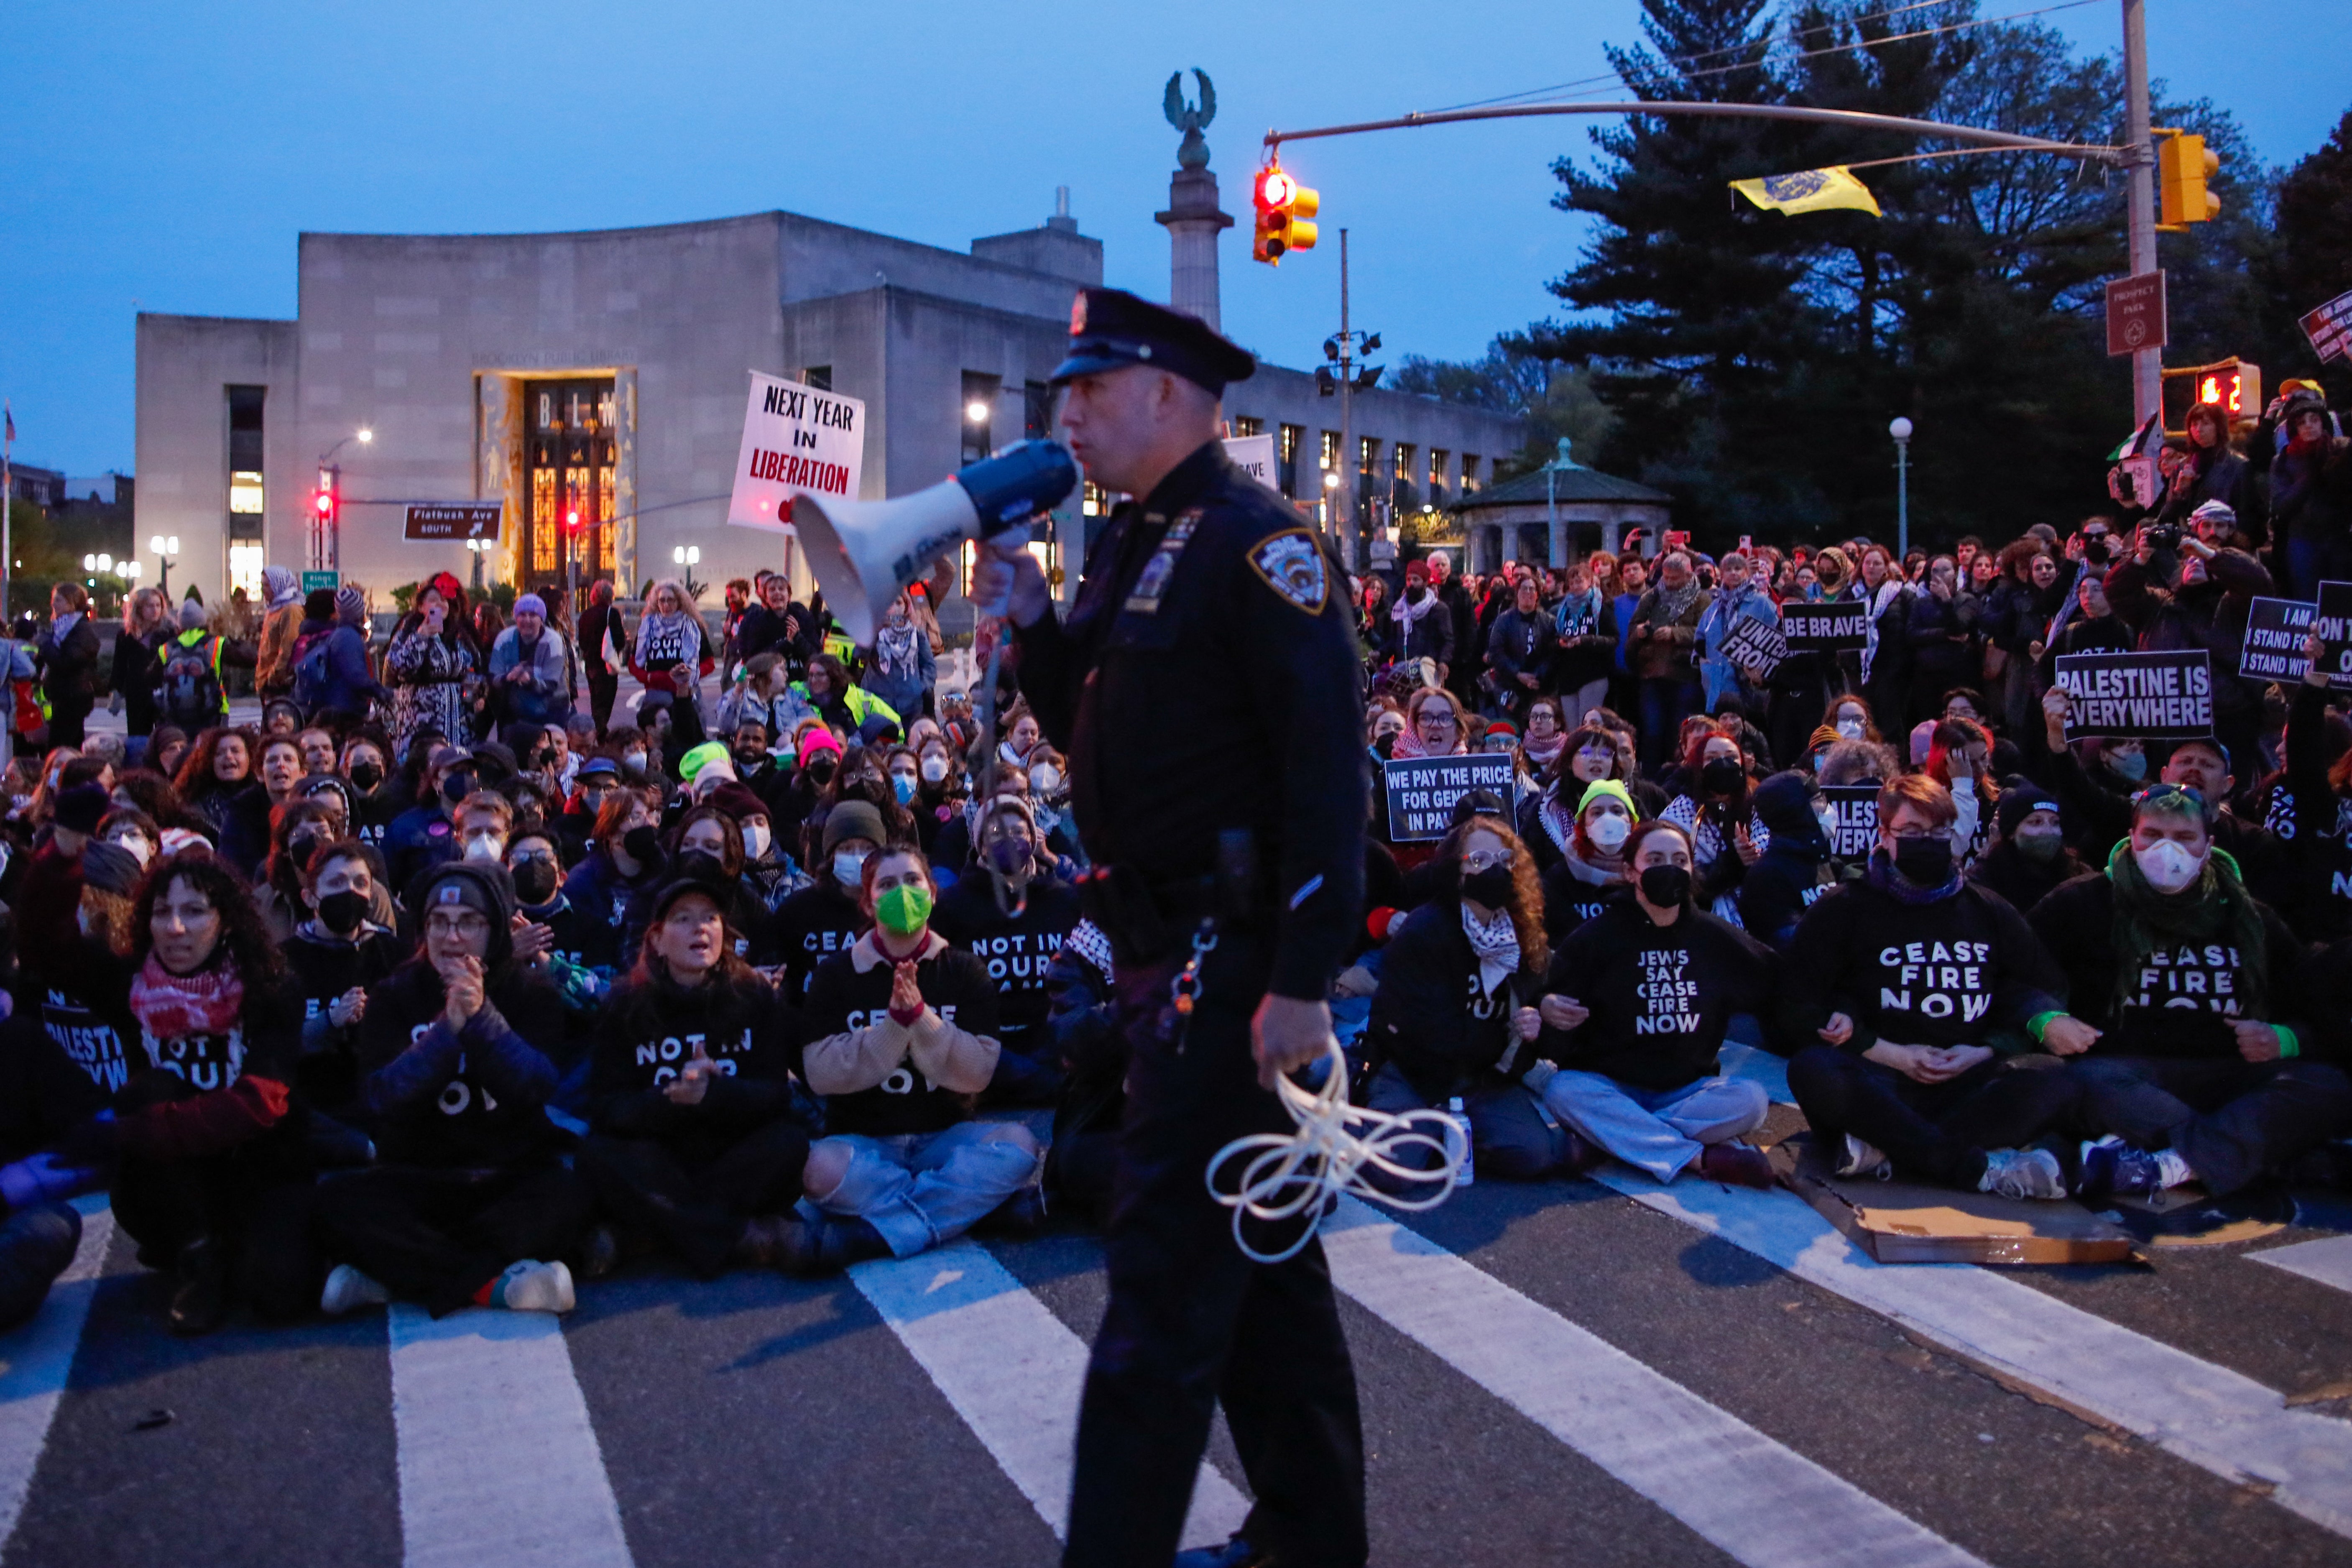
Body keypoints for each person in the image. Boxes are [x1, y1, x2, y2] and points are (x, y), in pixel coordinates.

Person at [975, 287, 1369, 1568]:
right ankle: (1314, 1536)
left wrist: (1303, 975)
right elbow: (1094, 719)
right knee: (1262, 1256)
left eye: (1086, 390)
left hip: (1231, 955)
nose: (1064, 415)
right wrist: (1033, 621)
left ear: (1163, 393)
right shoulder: (1135, 541)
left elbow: (1327, 775)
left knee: (1159, 1279)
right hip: (1173, 951)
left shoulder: (1261, 546)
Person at [2028, 782, 2352, 1201]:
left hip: (2229, 1072)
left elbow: (2308, 997)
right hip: (2125, 1073)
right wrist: (2049, 1019)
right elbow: (2021, 972)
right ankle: (2255, 1154)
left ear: (2208, 844)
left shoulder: (2251, 916)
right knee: (2079, 1082)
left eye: (2184, 838)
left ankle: (2172, 1164)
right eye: (2153, 836)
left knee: (2326, 1084)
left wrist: (2284, 1039)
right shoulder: (2079, 903)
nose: (2168, 850)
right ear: (2132, 838)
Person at [1783, 775, 2079, 1199]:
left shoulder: (1988, 909)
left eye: (1940, 831)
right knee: (1813, 1069)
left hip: (1967, 1078)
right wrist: (1890, 1053)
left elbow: (2043, 986)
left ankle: (1891, 1149)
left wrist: (1986, 1049)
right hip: (1881, 1076)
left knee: (2054, 1078)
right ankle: (1968, 1167)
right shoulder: (1845, 908)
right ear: (1884, 835)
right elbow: (1797, 1003)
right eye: (1913, 832)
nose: (1929, 841)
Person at [315, 861, 587, 1317]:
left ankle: (393, 1277)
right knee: (334, 1203)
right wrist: (446, 1033)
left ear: (495, 929)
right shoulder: (394, 995)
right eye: (438, 923)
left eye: (468, 924)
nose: (452, 937)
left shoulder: (531, 994)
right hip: (417, 1176)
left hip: (507, 1174)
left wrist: (482, 1020)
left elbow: (536, 1086)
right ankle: (497, 1287)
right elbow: (383, 1097)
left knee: (574, 1192)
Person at [91, 850, 315, 1333]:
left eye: (194, 912)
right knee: (148, 1088)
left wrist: (138, 1132)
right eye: (162, 913)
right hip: (175, 1180)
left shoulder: (271, 986)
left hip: (261, 1164)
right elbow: (49, 948)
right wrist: (64, 849)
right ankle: (197, 1254)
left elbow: (261, 1102)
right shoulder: (132, 984)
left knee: (278, 1294)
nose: (175, 929)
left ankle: (234, 1244)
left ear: (227, 921)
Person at [795, 846, 1038, 1267]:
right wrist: (892, 1028)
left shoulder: (964, 970)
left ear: (933, 893)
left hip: (945, 1139)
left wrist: (922, 1019)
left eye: (912, 881)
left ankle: (877, 1232)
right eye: (887, 885)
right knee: (816, 1169)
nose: (902, 893)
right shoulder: (835, 973)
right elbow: (820, 1074)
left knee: (1021, 1146)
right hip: (864, 1147)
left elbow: (978, 1074)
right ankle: (970, 1208)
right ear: (868, 902)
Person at [579, 877, 817, 1277]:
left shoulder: (753, 995)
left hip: (731, 1153)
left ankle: (649, 1237)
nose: (700, 928)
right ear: (656, 940)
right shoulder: (624, 1004)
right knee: (596, 1155)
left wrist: (716, 1094)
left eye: (710, 918)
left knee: (789, 1144)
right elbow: (604, 1107)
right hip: (659, 1154)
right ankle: (741, 1237)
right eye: (684, 919)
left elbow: (775, 1094)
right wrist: (669, 1099)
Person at [1535, 818, 1776, 1186]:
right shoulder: (1597, 937)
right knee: (1562, 1090)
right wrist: (1546, 1006)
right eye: (1656, 858)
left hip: (1689, 1091)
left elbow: (1777, 982)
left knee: (1753, 1101)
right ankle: (1698, 1158)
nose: (1669, 868)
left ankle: (1611, 1139)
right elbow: (1547, 998)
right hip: (1611, 1085)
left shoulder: (1714, 936)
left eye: (1680, 860)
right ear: (1631, 872)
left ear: (1692, 869)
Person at [1363, 814, 1581, 1181]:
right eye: (1479, 861)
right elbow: (1421, 1029)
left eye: (1504, 861)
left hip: (1483, 1079)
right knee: (1391, 1172)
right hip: (1416, 1075)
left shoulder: (1521, 931)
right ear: (1456, 871)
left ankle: (1451, 1138)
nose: (1494, 871)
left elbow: (1540, 1007)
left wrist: (1538, 1019)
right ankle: (1408, 1131)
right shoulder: (1425, 931)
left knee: (1535, 1157)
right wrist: (1508, 1031)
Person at [930, 794, 1083, 1104]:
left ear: (1033, 838)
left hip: (1052, 1037)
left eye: (1018, 832)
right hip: (984, 1042)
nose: (1009, 840)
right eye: (997, 833)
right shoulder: (952, 905)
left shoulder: (1065, 900)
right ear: (980, 845)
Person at [770, 799, 883, 999]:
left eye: (867, 848)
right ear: (831, 856)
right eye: (846, 849)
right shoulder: (797, 911)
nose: (858, 858)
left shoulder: (891, 908)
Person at [386, 582, 479, 756]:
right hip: (422, 717)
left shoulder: (458, 634)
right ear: (421, 607)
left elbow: (472, 666)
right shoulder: (408, 632)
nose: (440, 605)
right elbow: (399, 667)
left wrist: (473, 692)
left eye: (444, 600)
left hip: (459, 720)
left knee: (457, 764)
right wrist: (421, 636)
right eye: (433, 601)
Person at [1966, 783, 2085, 915]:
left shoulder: (2075, 873)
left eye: (2055, 823)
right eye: (2036, 822)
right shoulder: (1983, 880)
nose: (2048, 831)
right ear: (2012, 832)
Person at [36, 583, 102, 751]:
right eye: (54, 600)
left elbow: (66, 662)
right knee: (70, 745)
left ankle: (63, 775)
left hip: (73, 697)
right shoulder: (60, 628)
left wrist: (45, 644)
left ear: (72, 602)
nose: (53, 604)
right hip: (62, 695)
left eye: (59, 600)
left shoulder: (81, 630)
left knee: (60, 747)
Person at [1483, 574, 1555, 725]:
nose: (1528, 593)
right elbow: (1496, 652)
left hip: (1540, 687)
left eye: (1532, 589)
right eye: (1524, 589)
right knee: (1511, 728)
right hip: (1509, 686)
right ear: (1517, 593)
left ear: (1538, 594)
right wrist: (1518, 674)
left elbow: (1553, 653)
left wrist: (1538, 676)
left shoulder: (1549, 621)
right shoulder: (1504, 620)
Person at [861, 590, 936, 725]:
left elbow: (929, 665)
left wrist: (921, 687)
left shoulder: (916, 632)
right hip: (879, 702)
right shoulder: (871, 630)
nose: (894, 608)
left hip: (911, 704)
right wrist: (876, 631)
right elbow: (859, 654)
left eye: (899, 603)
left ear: (907, 607)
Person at [112, 585, 172, 741]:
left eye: (158, 606)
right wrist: (116, 691)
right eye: (150, 606)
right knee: (138, 737)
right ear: (138, 608)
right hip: (137, 693)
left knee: (165, 736)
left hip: (163, 690)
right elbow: (119, 665)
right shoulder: (126, 635)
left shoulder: (169, 633)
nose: (155, 610)